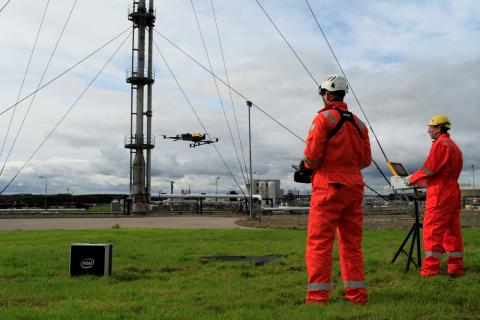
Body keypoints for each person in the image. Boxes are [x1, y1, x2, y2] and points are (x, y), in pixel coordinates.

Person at [303, 74, 372, 305]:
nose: (322, 97)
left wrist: (307, 167)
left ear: (328, 94)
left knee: (320, 244)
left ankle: (317, 297)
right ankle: (357, 295)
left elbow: (312, 157)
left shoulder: (322, 120)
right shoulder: (360, 124)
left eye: (323, 93)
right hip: (354, 188)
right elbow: (366, 160)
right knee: (352, 245)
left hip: (328, 188)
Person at [404, 115, 464, 277]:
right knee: (452, 232)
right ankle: (456, 268)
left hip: (440, 195)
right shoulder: (454, 147)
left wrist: (411, 179)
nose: (428, 130)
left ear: (438, 128)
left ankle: (430, 271)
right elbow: (442, 173)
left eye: (430, 127)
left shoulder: (440, 145)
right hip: (453, 192)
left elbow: (429, 169)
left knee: (432, 232)